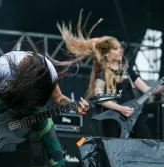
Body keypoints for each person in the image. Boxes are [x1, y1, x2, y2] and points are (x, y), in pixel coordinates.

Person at [48, 11, 164, 139]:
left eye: (120, 47)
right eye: (116, 48)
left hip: (134, 114)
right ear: (107, 53)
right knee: (115, 150)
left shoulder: (127, 69)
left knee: (147, 143)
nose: (121, 50)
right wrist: (120, 108)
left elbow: (149, 90)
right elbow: (100, 97)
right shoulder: (102, 72)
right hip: (114, 116)